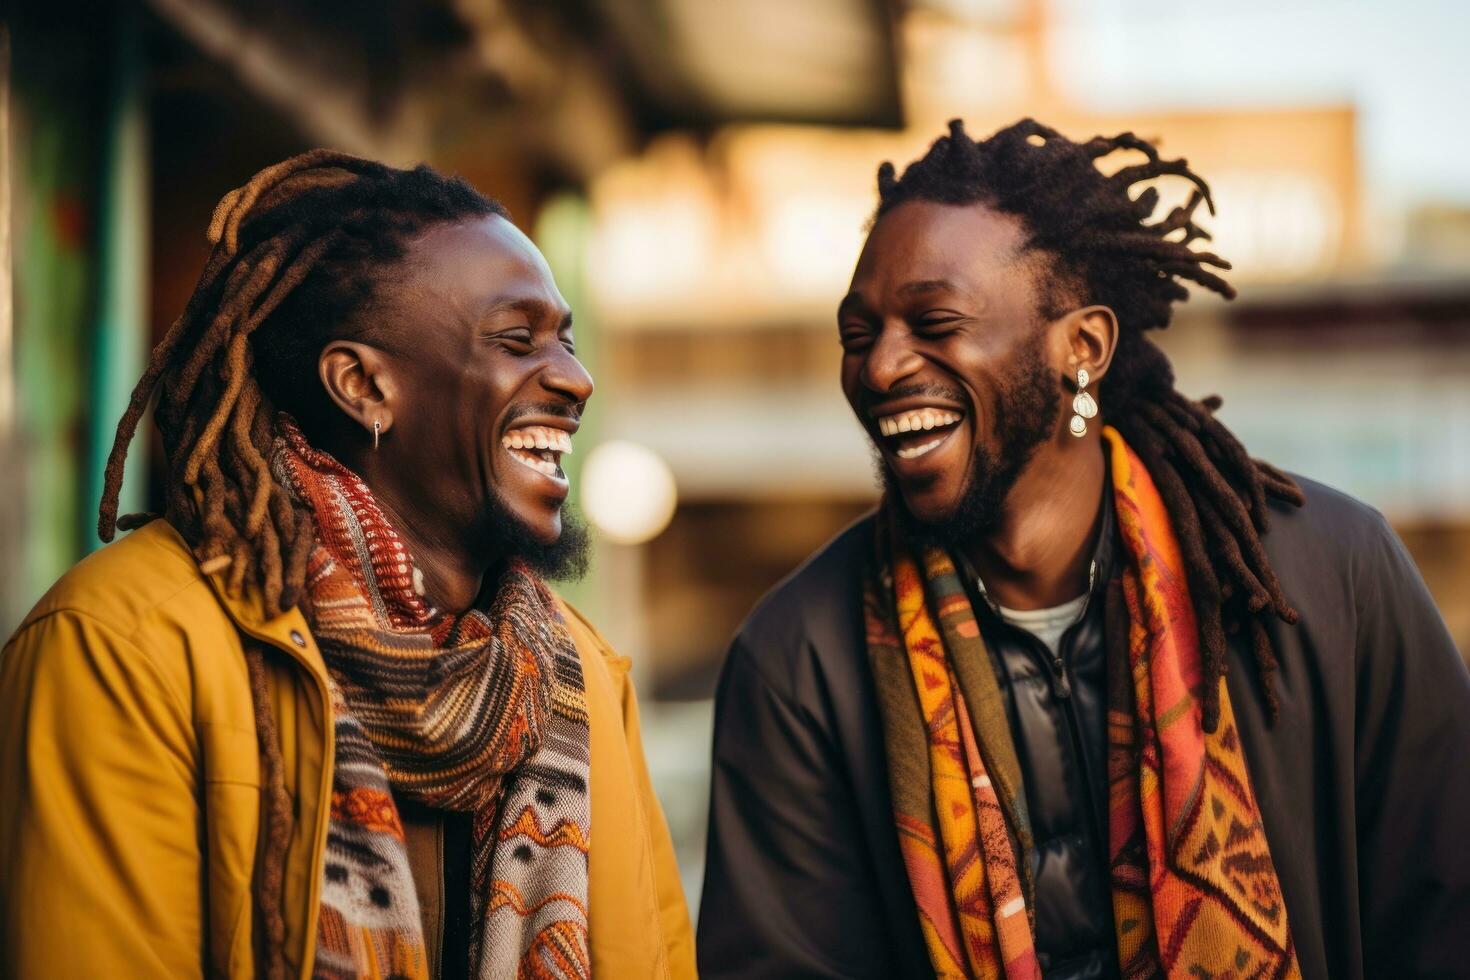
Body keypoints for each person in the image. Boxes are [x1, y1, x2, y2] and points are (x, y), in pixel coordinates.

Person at [698, 119, 1470, 979]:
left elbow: (1445, 920)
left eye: (935, 322)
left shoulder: (1331, 577)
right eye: (859, 333)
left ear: (1083, 349)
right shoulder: (798, 661)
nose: (880, 368)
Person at [0, 151, 694, 979]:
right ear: (363, 386)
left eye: (567, 343)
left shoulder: (579, 674)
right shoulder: (121, 647)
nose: (577, 380)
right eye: (518, 340)